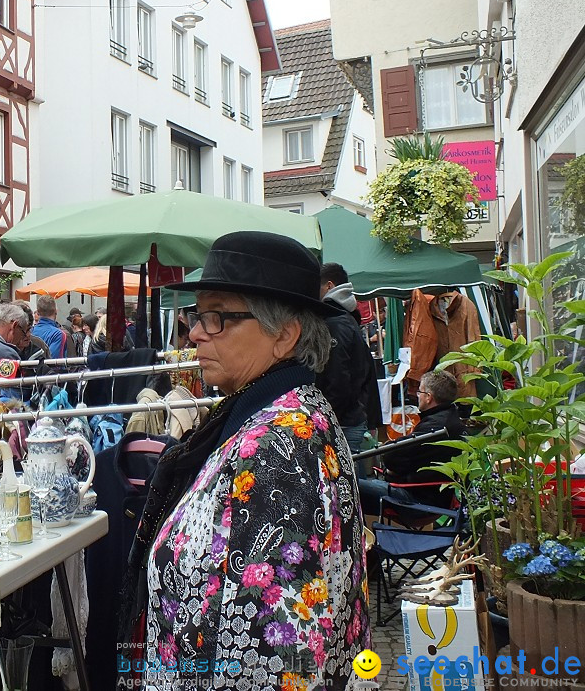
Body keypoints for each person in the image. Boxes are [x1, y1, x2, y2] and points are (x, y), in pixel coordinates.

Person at [118, 231, 369, 690]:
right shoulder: (265, 413)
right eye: (198, 315)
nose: (195, 331)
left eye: (216, 318)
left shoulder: (280, 447)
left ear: (284, 335)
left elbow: (274, 655)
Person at [357, 370, 466, 515]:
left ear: (428, 397)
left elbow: (391, 456)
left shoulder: (436, 426)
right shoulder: (451, 418)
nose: (416, 395)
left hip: (418, 501)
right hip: (429, 495)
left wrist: (393, 470)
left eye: (420, 391)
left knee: (348, 486)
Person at [315, 263, 382, 474]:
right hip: (351, 418)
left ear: (328, 286)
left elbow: (338, 379)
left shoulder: (335, 323)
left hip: (343, 422)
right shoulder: (347, 319)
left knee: (346, 485)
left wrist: (326, 417)